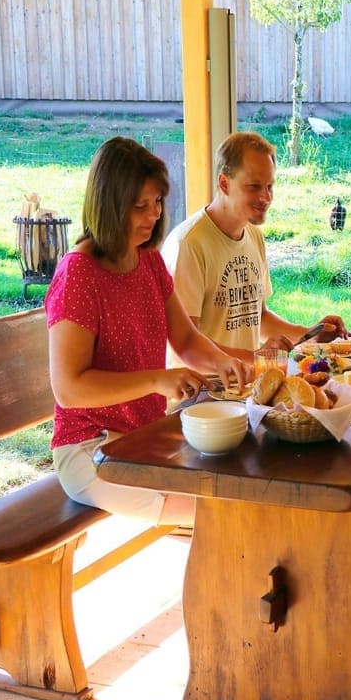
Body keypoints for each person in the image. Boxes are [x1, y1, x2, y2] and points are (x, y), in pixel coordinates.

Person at [46, 137, 251, 525]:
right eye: (139, 206)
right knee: (221, 510)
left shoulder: (147, 260)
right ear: (108, 205)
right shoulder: (78, 275)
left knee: (243, 478)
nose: (153, 216)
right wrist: (157, 380)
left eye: (157, 203)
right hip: (91, 449)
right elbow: (69, 390)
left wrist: (224, 363)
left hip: (145, 439)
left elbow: (186, 339)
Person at [161, 131, 347, 361]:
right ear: (224, 184)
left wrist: (311, 335)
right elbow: (187, 345)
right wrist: (256, 357)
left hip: (244, 387)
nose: (266, 197)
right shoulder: (189, 244)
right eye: (254, 186)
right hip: (203, 393)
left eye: (270, 186)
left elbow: (258, 318)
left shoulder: (253, 236)